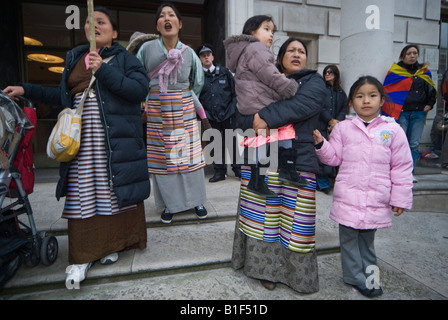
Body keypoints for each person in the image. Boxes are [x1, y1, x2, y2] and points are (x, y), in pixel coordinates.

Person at [4, 7, 150, 284]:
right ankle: (83, 255)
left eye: (101, 22)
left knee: (111, 191)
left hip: (114, 138)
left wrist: (103, 71)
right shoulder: (73, 58)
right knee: (83, 190)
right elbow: (61, 96)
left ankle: (112, 246)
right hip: (81, 138)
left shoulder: (125, 59)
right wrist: (25, 89)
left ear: (114, 32)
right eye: (88, 22)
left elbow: (138, 91)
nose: (93, 25)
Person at [231, 37, 326, 292]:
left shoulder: (313, 81)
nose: (297, 54)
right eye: (291, 50)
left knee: (297, 222)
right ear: (280, 57)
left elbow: (302, 105)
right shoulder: (263, 81)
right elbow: (242, 112)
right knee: (263, 219)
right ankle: (264, 270)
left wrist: (264, 116)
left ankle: (297, 276)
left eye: (302, 51)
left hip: (299, 161)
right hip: (262, 157)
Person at [313, 75, 414, 298]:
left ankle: (370, 279)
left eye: (372, 96)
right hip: (348, 198)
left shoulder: (393, 130)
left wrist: (400, 197)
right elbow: (334, 158)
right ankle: (354, 278)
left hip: (375, 200)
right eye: (359, 96)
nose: (366, 101)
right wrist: (321, 145)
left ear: (381, 100)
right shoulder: (343, 129)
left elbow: (402, 166)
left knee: (367, 243)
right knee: (348, 242)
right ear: (351, 102)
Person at [135, 2, 208, 224]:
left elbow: (197, 82)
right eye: (162, 16)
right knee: (162, 159)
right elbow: (138, 79)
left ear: (180, 23)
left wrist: (183, 98)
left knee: (189, 157)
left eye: (172, 15)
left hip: (184, 110)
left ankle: (197, 200)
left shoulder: (190, 53)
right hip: (157, 111)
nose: (167, 19)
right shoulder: (146, 49)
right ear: (157, 25)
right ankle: (169, 204)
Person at [224, 15, 308, 198]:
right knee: (285, 131)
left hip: (249, 106)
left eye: (272, 30)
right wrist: (289, 86)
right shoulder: (257, 48)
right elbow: (269, 74)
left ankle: (257, 181)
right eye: (266, 29)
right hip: (260, 105)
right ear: (251, 32)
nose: (271, 34)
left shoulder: (244, 51)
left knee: (260, 145)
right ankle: (286, 169)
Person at [382, 44, 437, 182]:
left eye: (415, 53)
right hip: (402, 113)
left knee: (413, 144)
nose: (412, 56)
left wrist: (430, 104)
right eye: (409, 53)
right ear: (403, 56)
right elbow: (387, 92)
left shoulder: (423, 72)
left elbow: (431, 89)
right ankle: (396, 172)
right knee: (399, 143)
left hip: (418, 113)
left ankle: (408, 174)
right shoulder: (396, 72)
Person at [196, 43, 241, 182]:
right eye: (203, 56)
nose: (206, 58)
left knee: (232, 142)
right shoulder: (198, 77)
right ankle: (219, 171)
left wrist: (231, 110)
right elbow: (196, 97)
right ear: (200, 59)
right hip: (210, 117)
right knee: (215, 144)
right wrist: (205, 116)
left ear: (213, 57)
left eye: (208, 55)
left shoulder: (224, 72)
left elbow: (235, 93)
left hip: (227, 114)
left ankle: (237, 170)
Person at [316, 65, 348, 194]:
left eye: (330, 72)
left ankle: (331, 180)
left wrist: (336, 122)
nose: (327, 74)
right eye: (325, 72)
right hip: (321, 125)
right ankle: (323, 183)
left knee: (335, 152)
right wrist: (330, 120)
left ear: (336, 74)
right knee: (321, 153)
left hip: (335, 127)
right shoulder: (321, 89)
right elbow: (319, 107)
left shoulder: (340, 92)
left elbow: (344, 108)